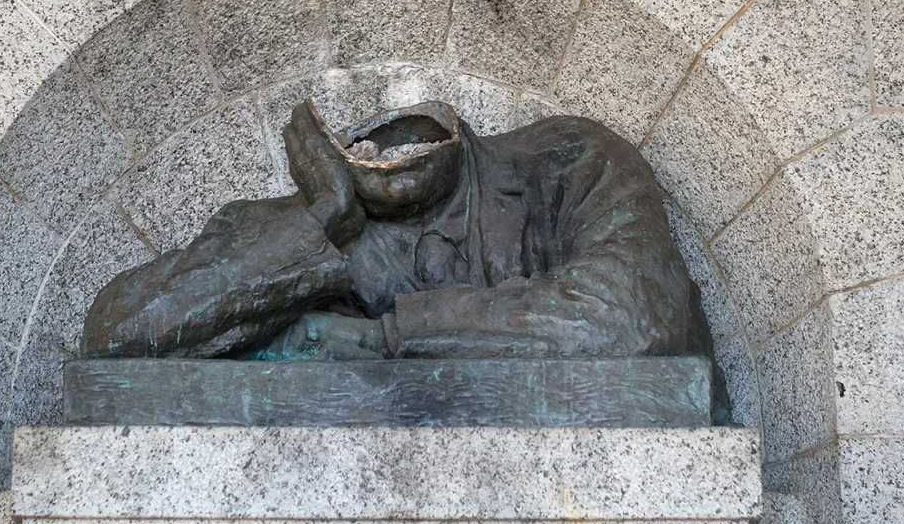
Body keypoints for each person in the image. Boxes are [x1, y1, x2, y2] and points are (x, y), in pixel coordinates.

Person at [81, 100, 721, 380]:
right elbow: (114, 335)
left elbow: (633, 318)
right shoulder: (289, 229)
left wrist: (384, 336)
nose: (389, 150)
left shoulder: (568, 163)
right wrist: (322, 223)